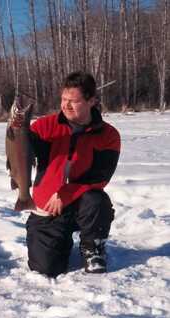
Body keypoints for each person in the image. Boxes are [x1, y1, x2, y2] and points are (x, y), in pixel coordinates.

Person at [25, 71, 120, 277]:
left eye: (73, 101)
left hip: (81, 205)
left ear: (91, 101)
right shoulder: (43, 127)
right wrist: (17, 131)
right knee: (46, 269)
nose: (66, 106)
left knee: (97, 201)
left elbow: (100, 177)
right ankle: (55, 239)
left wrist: (66, 193)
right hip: (48, 206)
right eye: (63, 99)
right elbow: (20, 152)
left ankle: (92, 247)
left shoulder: (108, 135)